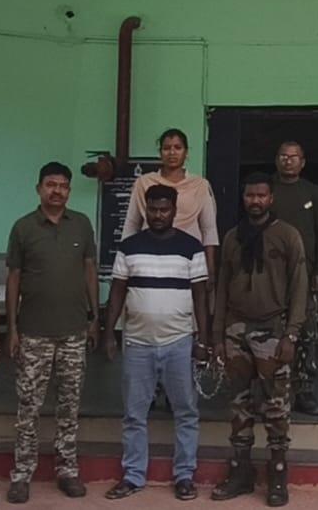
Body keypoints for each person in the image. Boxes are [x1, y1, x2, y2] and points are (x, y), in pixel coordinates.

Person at [103, 184, 210, 501]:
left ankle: (184, 476)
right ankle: (133, 476)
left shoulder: (191, 247)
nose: (158, 215)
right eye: (153, 209)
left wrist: (203, 340)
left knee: (186, 412)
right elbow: (117, 292)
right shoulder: (129, 247)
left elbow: (201, 296)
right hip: (137, 344)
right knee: (134, 414)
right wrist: (109, 332)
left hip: (180, 343)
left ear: (174, 211)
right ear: (145, 210)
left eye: (164, 209)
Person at [212, 172, 308, 507]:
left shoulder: (287, 235)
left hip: (273, 329)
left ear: (271, 199)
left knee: (276, 406)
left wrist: (292, 333)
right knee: (239, 404)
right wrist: (218, 335)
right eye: (250, 195)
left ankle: (277, 474)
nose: (255, 201)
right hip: (236, 329)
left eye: (261, 196)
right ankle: (241, 472)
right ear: (244, 198)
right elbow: (222, 286)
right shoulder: (233, 237)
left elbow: (300, 287)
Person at [6, 162, 100, 504]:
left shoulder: (82, 224)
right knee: (28, 408)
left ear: (69, 191)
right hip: (33, 333)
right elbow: (14, 277)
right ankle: (21, 474)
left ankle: (67, 470)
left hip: (74, 331)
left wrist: (95, 317)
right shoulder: (23, 228)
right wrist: (12, 328)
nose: (56, 191)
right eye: (50, 184)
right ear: (39, 188)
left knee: (69, 405)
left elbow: (90, 271)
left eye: (63, 185)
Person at [271, 141, 318, 416]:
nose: (288, 161)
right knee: (270, 332)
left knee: (306, 333)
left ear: (302, 162)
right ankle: (272, 390)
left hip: (305, 275)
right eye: (283, 156)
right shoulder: (267, 190)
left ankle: (304, 390)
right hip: (271, 275)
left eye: (293, 157)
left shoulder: (313, 193)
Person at [122, 128, 218, 289]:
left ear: (186, 152)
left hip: (188, 257)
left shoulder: (200, 185)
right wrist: (123, 261)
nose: (172, 153)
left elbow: (208, 229)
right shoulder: (144, 183)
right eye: (166, 148)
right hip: (149, 256)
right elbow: (131, 224)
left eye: (177, 148)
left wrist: (210, 269)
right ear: (160, 152)